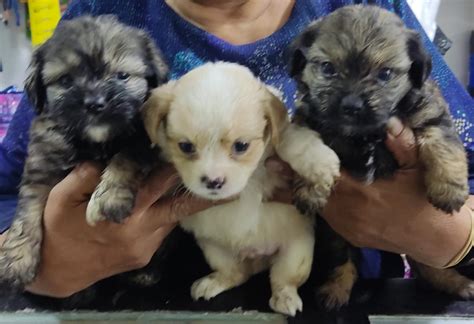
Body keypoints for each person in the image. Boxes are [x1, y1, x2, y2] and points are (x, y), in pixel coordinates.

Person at [0, 0, 473, 298]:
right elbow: (10, 187)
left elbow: (461, 157)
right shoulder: (101, 15)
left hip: (352, 296)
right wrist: (42, 268)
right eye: (328, 71)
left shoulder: (369, 9)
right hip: (133, 301)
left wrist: (453, 239)